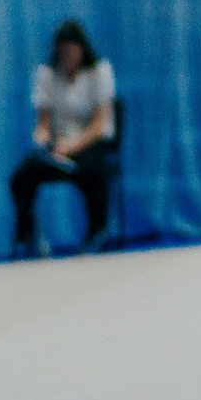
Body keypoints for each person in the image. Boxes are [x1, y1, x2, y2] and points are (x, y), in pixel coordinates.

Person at [8, 19, 118, 255]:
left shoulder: (99, 72)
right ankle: (26, 234)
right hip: (59, 147)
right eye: (62, 52)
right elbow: (44, 123)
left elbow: (100, 124)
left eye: (71, 50)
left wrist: (73, 146)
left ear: (82, 48)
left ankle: (97, 233)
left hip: (90, 142)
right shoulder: (47, 75)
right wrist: (42, 137)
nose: (67, 56)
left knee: (95, 171)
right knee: (21, 176)